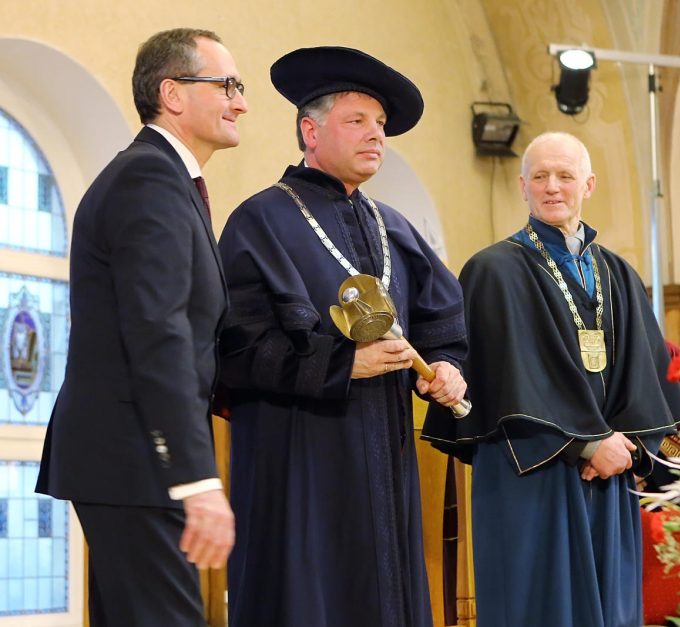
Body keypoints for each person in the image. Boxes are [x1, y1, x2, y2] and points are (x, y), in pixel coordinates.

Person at [217, 46, 467, 627]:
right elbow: (235, 350)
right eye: (357, 122)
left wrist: (448, 367)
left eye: (380, 126)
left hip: (387, 454)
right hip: (299, 458)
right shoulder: (260, 222)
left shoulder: (395, 228)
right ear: (310, 129)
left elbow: (443, 325)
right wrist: (342, 365)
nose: (375, 136)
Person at [422, 132, 680, 627]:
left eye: (565, 175)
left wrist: (626, 447)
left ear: (588, 183)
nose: (552, 187)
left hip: (611, 475)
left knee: (612, 609)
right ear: (522, 186)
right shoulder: (492, 270)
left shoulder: (620, 274)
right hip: (530, 470)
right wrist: (587, 445)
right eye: (540, 176)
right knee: (540, 609)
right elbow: (508, 379)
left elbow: (648, 373)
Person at [35, 28, 247, 626]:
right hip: (134, 458)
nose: (241, 101)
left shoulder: (168, 182)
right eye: (227, 85)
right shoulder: (148, 179)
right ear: (173, 94)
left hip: (128, 458)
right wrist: (196, 476)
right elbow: (158, 332)